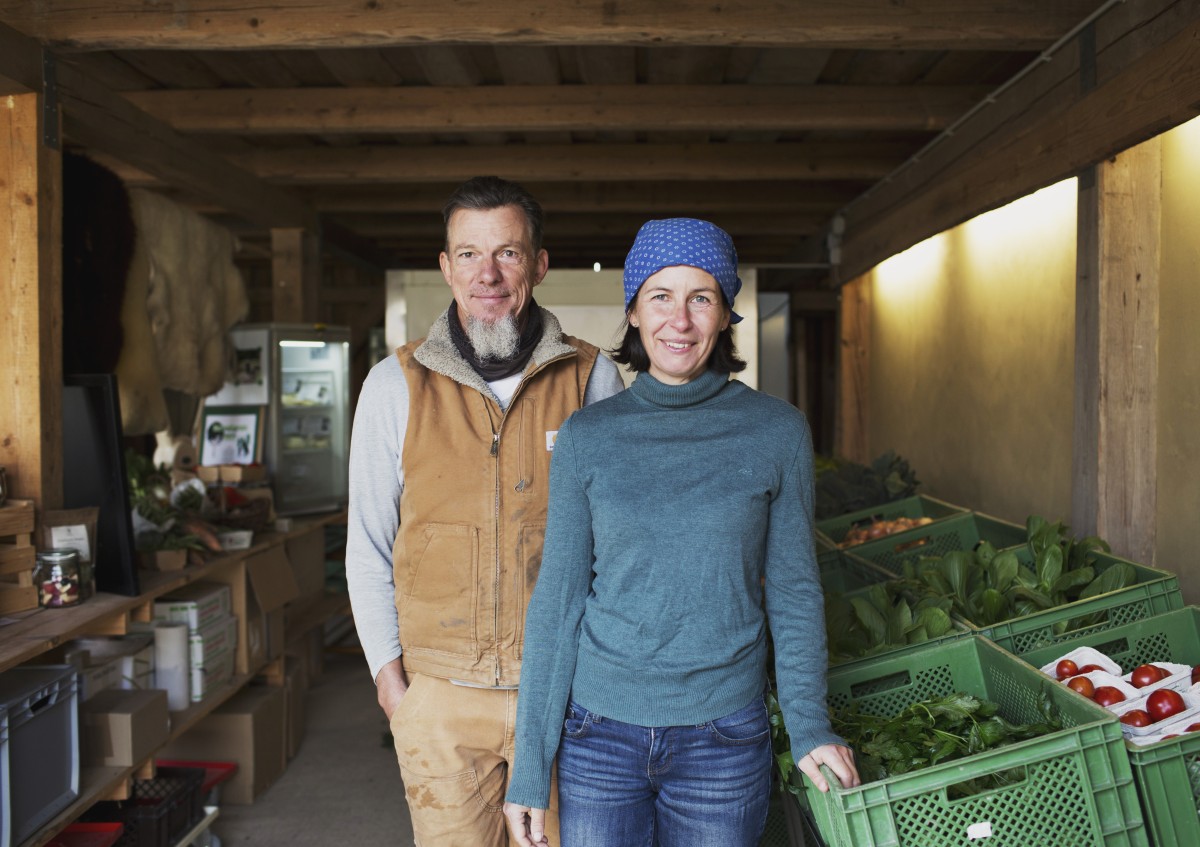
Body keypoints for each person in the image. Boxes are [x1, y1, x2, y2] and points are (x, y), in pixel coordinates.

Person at [502, 218, 860, 847]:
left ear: (726, 315)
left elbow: (796, 592)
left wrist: (809, 725)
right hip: (598, 737)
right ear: (634, 313)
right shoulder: (590, 438)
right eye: (660, 297)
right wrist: (529, 767)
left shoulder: (776, 432)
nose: (681, 319)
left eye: (702, 297)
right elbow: (557, 603)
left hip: (724, 738)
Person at [345, 175, 626, 846]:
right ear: (446, 267)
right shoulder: (395, 384)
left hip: (568, 689)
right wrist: (395, 689)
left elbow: (623, 542)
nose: (488, 274)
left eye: (507, 252)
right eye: (469, 254)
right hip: (440, 696)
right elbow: (368, 545)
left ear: (539, 263)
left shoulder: (594, 378)